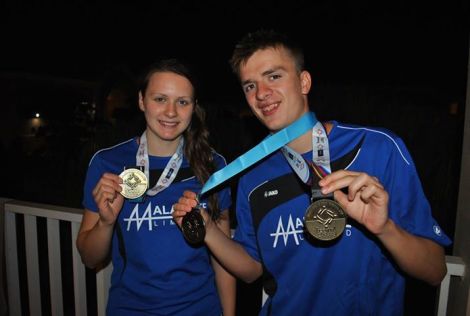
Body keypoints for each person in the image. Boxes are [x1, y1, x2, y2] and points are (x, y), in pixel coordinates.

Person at [172, 29, 451, 315]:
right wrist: (207, 230)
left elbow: (435, 270)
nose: (262, 94)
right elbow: (251, 270)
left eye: (274, 76)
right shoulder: (253, 176)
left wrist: (384, 228)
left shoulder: (377, 149)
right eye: (249, 86)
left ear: (303, 81)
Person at [76, 58, 236, 315]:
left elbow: (224, 259)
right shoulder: (107, 163)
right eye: (160, 99)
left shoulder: (213, 165)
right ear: (141, 101)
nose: (171, 112)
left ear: (193, 107)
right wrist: (105, 223)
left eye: (182, 102)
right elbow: (89, 258)